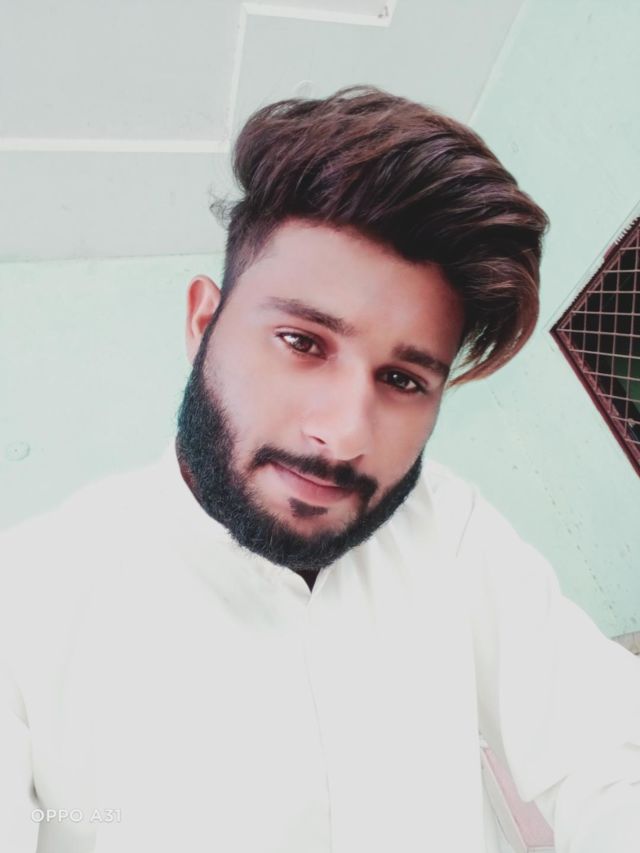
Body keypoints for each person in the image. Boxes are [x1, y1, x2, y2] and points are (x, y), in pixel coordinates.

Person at [1, 87, 639, 853]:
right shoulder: (28, 604)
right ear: (203, 323)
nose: (341, 435)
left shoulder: (448, 529)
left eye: (403, 379)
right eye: (302, 342)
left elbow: (609, 753)